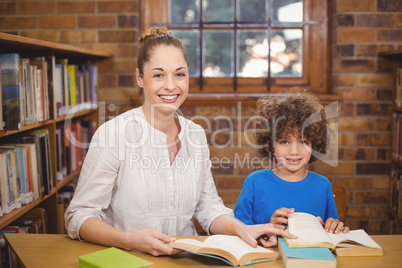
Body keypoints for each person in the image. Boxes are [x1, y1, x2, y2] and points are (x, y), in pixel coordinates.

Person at [64, 26, 296, 256]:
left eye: (179, 74)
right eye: (158, 75)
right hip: (129, 258)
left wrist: (242, 229)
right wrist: (129, 240)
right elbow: (79, 216)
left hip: (184, 260)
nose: (171, 86)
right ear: (140, 78)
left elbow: (207, 207)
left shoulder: (195, 135)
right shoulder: (113, 134)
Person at [234, 91, 350, 234]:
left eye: (303, 141)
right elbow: (240, 232)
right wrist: (267, 229)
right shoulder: (254, 183)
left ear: (314, 144)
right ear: (270, 144)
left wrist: (334, 227)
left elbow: (332, 230)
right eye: (284, 141)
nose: (294, 151)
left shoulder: (323, 185)